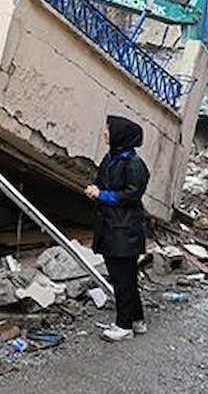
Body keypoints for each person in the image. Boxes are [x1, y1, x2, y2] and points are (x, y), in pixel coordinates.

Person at [85, 114, 149, 342]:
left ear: (120, 135)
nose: (105, 133)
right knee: (124, 277)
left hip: (125, 229)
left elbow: (132, 194)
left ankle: (124, 326)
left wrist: (102, 195)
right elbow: (103, 182)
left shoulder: (133, 164)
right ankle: (137, 320)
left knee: (123, 279)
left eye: (109, 129)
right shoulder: (111, 158)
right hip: (112, 225)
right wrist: (95, 189)